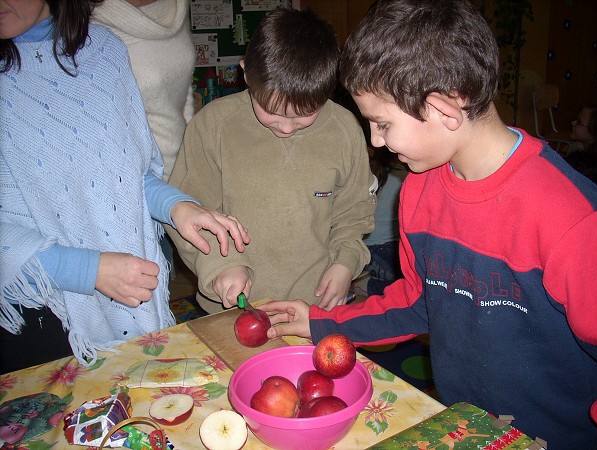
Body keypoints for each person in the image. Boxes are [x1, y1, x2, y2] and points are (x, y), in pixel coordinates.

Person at [258, 1, 597, 448]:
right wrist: (323, 322)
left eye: (381, 123)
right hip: (466, 423)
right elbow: (419, 302)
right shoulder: (418, 191)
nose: (376, 141)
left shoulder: (571, 219)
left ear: (443, 108)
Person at [0, 0, 250, 373]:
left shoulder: (105, 50)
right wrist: (88, 271)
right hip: (34, 308)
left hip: (128, 279)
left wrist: (178, 207)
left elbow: (127, 178)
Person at [167, 7, 376, 314]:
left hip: (313, 308)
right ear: (246, 73)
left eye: (305, 115)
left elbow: (353, 216)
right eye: (273, 113)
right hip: (234, 309)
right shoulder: (213, 126)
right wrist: (222, 266)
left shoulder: (345, 130)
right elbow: (189, 210)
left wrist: (345, 263)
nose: (286, 128)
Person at [92, 0, 195, 183]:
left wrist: (190, 159)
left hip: (180, 169)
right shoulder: (87, 21)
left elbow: (183, 90)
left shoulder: (177, 7)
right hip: (133, 178)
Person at [362, 146, 406, 295]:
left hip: (372, 246)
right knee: (405, 283)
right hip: (378, 248)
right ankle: (367, 285)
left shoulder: (371, 173)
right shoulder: (404, 178)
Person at [566, 104, 597, 185]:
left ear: (593, 132)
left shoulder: (588, 166)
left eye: (579, 122)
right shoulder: (578, 146)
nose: (573, 123)